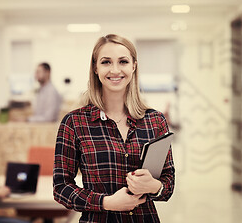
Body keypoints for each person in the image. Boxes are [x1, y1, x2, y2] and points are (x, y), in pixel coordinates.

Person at [53, 34, 175, 222]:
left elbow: (168, 183)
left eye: (123, 61)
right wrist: (105, 202)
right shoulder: (74, 123)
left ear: (134, 66)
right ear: (95, 67)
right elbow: (61, 187)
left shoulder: (155, 121)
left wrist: (152, 186)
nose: (115, 70)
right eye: (106, 62)